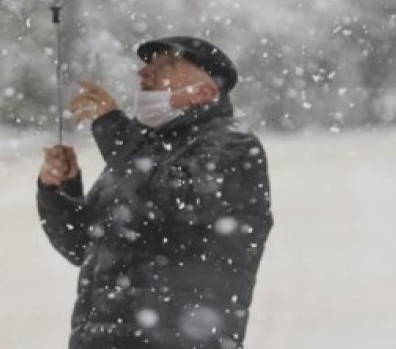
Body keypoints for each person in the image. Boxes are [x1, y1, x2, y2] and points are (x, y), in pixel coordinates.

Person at [37, 36, 274, 349]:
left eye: (167, 67)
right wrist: (59, 190)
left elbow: (174, 205)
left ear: (204, 92)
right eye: (148, 66)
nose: (144, 73)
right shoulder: (140, 151)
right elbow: (83, 245)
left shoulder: (233, 146)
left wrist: (115, 130)